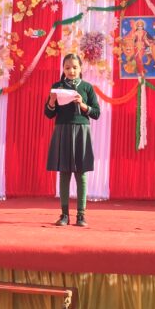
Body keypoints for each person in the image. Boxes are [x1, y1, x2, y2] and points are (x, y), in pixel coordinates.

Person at [45, 53, 100, 227]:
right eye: (67, 67)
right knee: (64, 173)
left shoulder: (87, 87)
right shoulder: (57, 87)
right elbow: (49, 114)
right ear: (63, 69)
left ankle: (81, 215)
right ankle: (64, 215)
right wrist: (52, 101)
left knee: (81, 173)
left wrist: (83, 105)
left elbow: (96, 113)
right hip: (63, 130)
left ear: (80, 68)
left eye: (75, 67)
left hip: (81, 131)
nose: (71, 71)